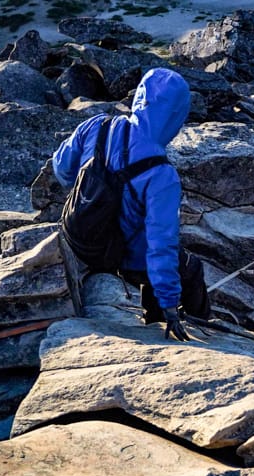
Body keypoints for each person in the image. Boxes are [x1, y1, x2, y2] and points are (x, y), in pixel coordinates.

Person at [52, 67, 209, 341]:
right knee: (189, 268)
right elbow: (161, 244)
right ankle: (186, 327)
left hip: (77, 237)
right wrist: (170, 302)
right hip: (121, 258)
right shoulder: (161, 175)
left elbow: (61, 168)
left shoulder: (97, 125)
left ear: (139, 97)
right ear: (176, 116)